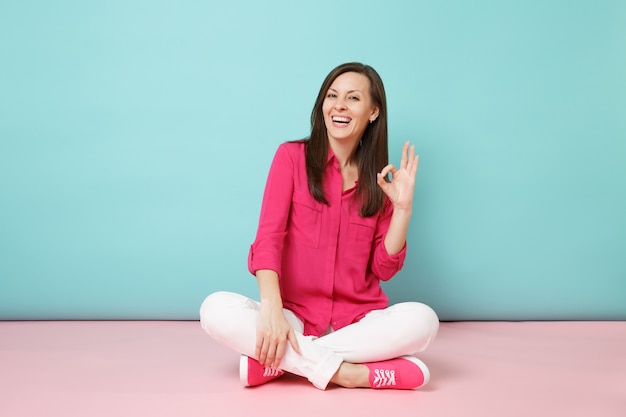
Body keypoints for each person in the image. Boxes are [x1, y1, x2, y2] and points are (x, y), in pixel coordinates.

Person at [200, 62, 439, 390]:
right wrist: (271, 309)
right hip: (294, 317)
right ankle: (352, 374)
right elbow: (268, 239)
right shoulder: (290, 158)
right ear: (322, 105)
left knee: (424, 321)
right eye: (332, 95)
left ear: (373, 112)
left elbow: (384, 268)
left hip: (356, 323)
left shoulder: (380, 183)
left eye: (353, 98)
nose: (339, 105)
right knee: (214, 309)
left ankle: (282, 364)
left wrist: (402, 208)